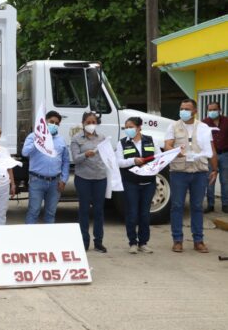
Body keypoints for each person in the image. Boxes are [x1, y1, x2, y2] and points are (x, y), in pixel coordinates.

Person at [165, 99, 217, 253]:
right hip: (178, 172)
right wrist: (176, 152)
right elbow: (167, 145)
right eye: (181, 108)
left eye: (187, 109)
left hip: (199, 172)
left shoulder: (204, 127)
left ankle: (198, 240)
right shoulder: (173, 126)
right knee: (177, 206)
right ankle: (177, 240)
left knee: (197, 207)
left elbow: (212, 148)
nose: (183, 111)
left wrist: (214, 169)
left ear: (195, 111)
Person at [115, 117, 161, 254]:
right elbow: (119, 162)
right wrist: (133, 161)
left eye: (131, 127)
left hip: (148, 183)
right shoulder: (122, 143)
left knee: (145, 214)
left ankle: (143, 242)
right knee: (132, 213)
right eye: (126, 127)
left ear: (139, 127)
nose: (128, 130)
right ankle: (132, 243)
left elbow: (159, 157)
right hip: (131, 183)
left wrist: (153, 166)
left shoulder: (150, 140)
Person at [22, 111, 69, 224]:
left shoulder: (61, 140)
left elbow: (66, 161)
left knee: (50, 213)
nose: (54, 125)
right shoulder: (33, 136)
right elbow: (24, 153)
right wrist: (39, 140)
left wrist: (64, 179)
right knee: (34, 211)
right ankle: (28, 240)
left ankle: (49, 241)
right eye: (51, 122)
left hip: (55, 182)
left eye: (56, 123)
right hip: (37, 180)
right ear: (45, 122)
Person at [71, 112, 107, 252]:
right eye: (88, 122)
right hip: (83, 178)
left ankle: (98, 242)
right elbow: (75, 159)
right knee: (84, 210)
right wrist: (85, 154)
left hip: (100, 178)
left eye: (93, 122)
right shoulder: (76, 139)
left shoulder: (102, 138)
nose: (91, 124)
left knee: (99, 210)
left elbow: (107, 155)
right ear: (83, 123)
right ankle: (84, 241)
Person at [203, 101, 228, 213]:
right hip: (210, 156)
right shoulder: (204, 123)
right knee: (210, 181)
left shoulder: (227, 121)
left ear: (220, 110)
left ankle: (225, 204)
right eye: (210, 110)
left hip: (225, 155)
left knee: (225, 181)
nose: (212, 112)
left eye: (214, 109)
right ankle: (210, 205)